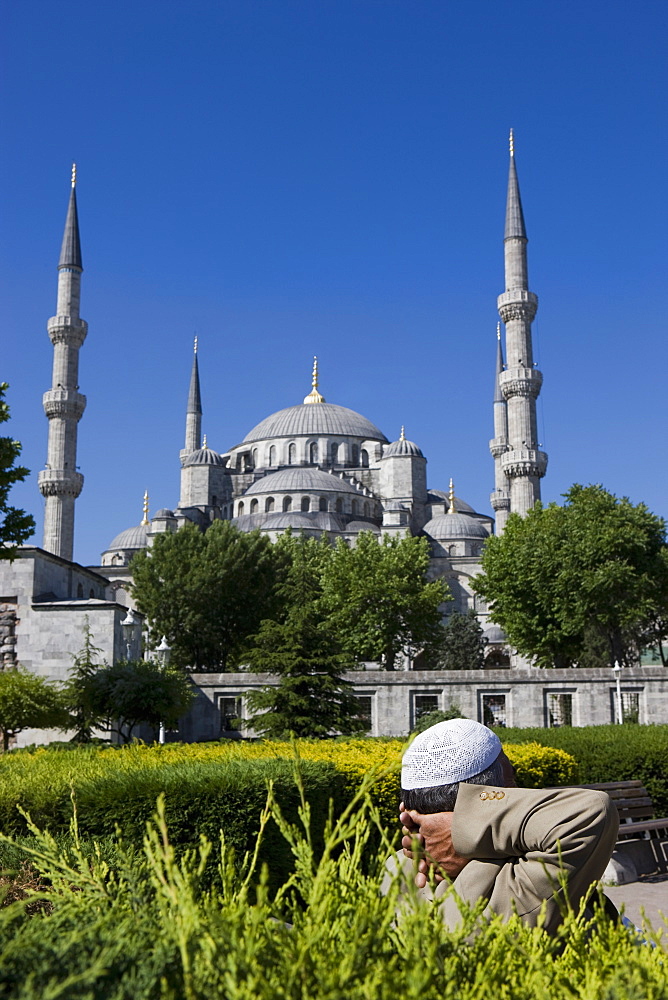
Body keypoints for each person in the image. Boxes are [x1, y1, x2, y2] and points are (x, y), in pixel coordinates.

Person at [382, 718, 619, 934]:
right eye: (510, 786)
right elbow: (593, 808)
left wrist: (458, 829)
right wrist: (465, 824)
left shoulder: (394, 867)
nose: (518, 793)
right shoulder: (516, 876)